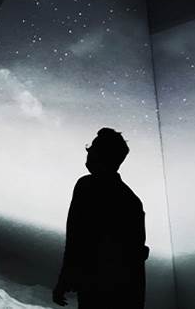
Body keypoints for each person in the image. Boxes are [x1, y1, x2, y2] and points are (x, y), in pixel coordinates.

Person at [52, 128, 150, 308]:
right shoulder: (132, 201)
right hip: (121, 293)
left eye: (93, 148)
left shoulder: (85, 186)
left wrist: (65, 279)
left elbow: (76, 240)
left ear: (103, 156)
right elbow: (136, 259)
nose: (88, 152)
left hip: (96, 288)